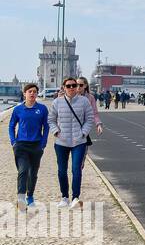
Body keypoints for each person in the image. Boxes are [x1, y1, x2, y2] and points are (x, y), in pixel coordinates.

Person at [49, 76, 98, 208]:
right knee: (61, 170)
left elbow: (89, 119)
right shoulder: (57, 102)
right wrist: (56, 132)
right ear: (63, 88)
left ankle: (75, 197)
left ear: (77, 87)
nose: (72, 88)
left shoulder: (84, 102)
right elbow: (51, 120)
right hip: (61, 142)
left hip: (79, 141)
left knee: (76, 170)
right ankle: (64, 197)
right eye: (68, 86)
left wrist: (83, 132)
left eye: (74, 85)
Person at [9, 84, 48, 209]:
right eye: (30, 91)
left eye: (35, 92)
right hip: (21, 145)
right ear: (24, 93)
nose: (32, 94)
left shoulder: (42, 109)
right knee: (23, 170)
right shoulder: (18, 109)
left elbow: (46, 127)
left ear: (37, 94)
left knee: (33, 173)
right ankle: (20, 198)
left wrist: (43, 143)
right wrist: (13, 142)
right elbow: (11, 126)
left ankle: (30, 196)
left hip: (36, 146)